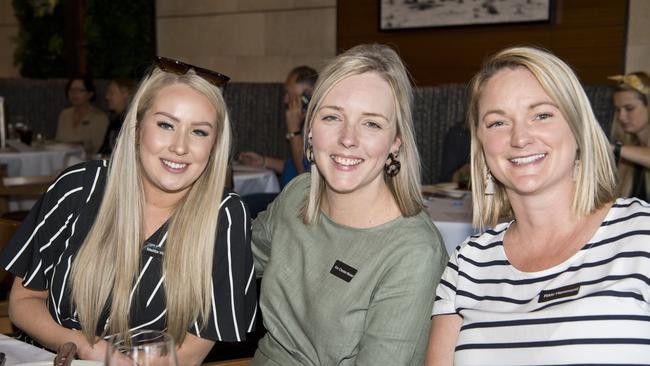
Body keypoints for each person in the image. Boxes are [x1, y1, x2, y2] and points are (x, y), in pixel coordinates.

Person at [1, 57, 257, 364]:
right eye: (165, 125)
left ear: (215, 146)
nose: (179, 146)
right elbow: (23, 300)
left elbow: (194, 348)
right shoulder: (79, 187)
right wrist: (87, 348)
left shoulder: (226, 217)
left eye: (199, 132)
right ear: (137, 127)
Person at [426, 46, 650, 365]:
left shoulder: (642, 235)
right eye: (497, 122)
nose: (520, 138)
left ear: (578, 127)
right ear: (481, 144)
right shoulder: (467, 263)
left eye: (541, 115)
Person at [251, 44, 448, 365]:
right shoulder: (297, 195)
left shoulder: (413, 253)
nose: (348, 138)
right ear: (310, 129)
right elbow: (229, 267)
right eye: (332, 117)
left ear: (395, 141)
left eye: (371, 123)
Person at [238, 65, 317, 186]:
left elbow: (306, 175)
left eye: (289, 94)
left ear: (309, 95)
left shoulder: (319, 126)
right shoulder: (305, 124)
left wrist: (293, 130)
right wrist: (264, 162)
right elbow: (295, 165)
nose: (286, 100)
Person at [608, 71, 650, 201]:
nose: (621, 116)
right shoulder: (628, 150)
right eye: (618, 109)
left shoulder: (621, 149)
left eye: (629, 108)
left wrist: (613, 148)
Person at [55, 76, 109, 155]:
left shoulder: (99, 118)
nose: (74, 94)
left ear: (90, 94)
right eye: (71, 90)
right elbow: (57, 143)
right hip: (60, 160)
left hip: (86, 162)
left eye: (80, 90)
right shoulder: (64, 114)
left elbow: (99, 149)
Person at [98, 78, 136, 156]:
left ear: (125, 94)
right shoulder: (116, 122)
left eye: (111, 93)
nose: (107, 97)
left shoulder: (133, 122)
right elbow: (104, 150)